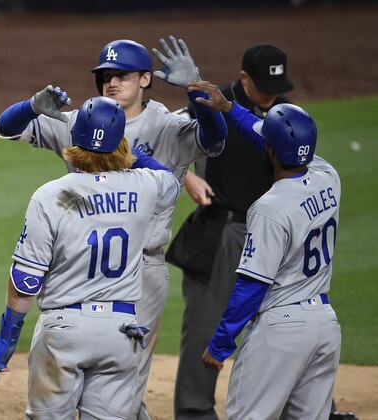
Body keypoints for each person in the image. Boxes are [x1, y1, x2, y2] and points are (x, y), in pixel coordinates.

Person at [0, 36, 227, 419]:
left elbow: (215, 141)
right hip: (79, 264)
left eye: (121, 75)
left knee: (127, 378)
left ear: (145, 80)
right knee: (117, 376)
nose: (111, 82)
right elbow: (6, 129)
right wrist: (31, 107)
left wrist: (194, 89)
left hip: (143, 271)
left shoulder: (167, 125)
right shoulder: (78, 120)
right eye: (105, 76)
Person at [0, 96, 181, 419]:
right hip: (121, 332)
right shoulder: (145, 187)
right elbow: (171, 182)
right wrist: (129, 154)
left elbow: (26, 281)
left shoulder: (49, 196)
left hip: (64, 332)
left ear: (74, 139)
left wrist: (8, 334)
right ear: (122, 142)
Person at [189, 80, 341, 420]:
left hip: (281, 330)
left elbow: (252, 284)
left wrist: (221, 343)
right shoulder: (327, 175)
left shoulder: (269, 207)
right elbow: (271, 139)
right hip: (324, 326)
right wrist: (229, 108)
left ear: (270, 150)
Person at [165, 43, 294, 420]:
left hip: (274, 234)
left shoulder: (286, 111)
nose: (272, 95)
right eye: (264, 87)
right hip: (224, 229)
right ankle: (194, 409)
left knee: (286, 325)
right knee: (205, 324)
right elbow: (162, 138)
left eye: (277, 86)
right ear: (243, 79)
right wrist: (186, 174)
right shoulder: (214, 99)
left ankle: (306, 408)